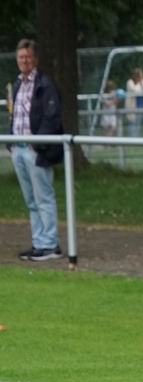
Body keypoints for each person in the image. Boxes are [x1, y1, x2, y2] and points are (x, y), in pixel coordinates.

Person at [8, 39, 64, 262]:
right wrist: (12, 144)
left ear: (35, 59)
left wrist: (37, 144)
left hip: (35, 150)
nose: (24, 60)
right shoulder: (17, 84)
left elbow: (52, 117)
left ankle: (50, 244)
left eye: (28, 56)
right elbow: (14, 115)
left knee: (43, 197)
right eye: (21, 57)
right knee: (31, 200)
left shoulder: (45, 84)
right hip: (19, 148)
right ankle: (39, 242)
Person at [125, 68, 143, 138]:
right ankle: (132, 138)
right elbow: (135, 90)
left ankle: (136, 137)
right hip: (132, 106)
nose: (142, 77)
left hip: (140, 105)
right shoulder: (130, 82)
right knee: (132, 123)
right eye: (140, 76)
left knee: (138, 123)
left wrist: (141, 83)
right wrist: (140, 85)